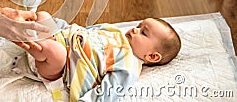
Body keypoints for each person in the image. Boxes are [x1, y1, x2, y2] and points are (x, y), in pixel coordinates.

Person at [26, 12, 182, 102]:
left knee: (54, 51)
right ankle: (32, 36)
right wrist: (60, 26)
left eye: (143, 32)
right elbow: (83, 31)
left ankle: (27, 39)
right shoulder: (114, 32)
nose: (135, 30)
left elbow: (107, 92)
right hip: (62, 39)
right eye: (138, 26)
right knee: (42, 16)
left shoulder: (129, 66)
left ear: (152, 56)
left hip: (61, 66)